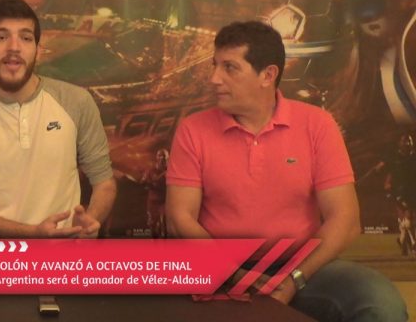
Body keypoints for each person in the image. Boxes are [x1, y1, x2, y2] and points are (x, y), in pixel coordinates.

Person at [165, 21, 407, 321]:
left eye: (230, 68)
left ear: (268, 75)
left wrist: (294, 279)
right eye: (215, 65)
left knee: (380, 303)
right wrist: (235, 275)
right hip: (220, 268)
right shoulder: (193, 130)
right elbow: (179, 219)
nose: (214, 78)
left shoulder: (317, 124)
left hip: (304, 268)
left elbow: (345, 220)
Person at [0, 0, 116, 238]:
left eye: (25, 38)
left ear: (38, 50)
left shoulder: (76, 101)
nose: (13, 47)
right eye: (1, 37)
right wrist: (33, 233)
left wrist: (91, 220)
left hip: (67, 256)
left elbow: (104, 182)